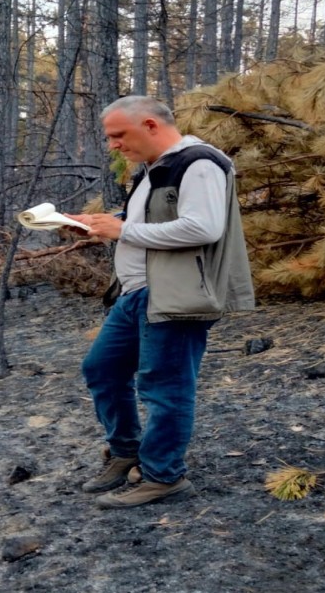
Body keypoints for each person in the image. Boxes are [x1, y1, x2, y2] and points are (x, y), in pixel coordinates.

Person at [68, 96, 254, 509]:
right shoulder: (157, 169)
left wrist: (121, 231)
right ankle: (126, 452)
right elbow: (152, 222)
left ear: (150, 125)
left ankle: (164, 476)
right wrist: (101, 225)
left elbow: (202, 227)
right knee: (102, 369)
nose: (114, 145)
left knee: (164, 387)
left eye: (119, 135)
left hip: (174, 294)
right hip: (137, 293)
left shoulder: (198, 162)